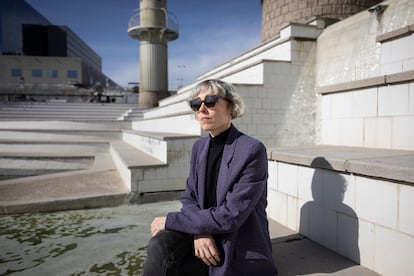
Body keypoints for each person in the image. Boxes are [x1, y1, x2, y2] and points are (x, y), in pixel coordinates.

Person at [142, 79, 277, 276]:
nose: (202, 109)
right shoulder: (199, 147)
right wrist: (200, 232)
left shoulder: (251, 150)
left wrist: (172, 220)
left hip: (234, 243)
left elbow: (231, 214)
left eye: (210, 101)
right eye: (196, 105)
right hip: (205, 235)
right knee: (160, 244)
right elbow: (190, 197)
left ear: (231, 106)